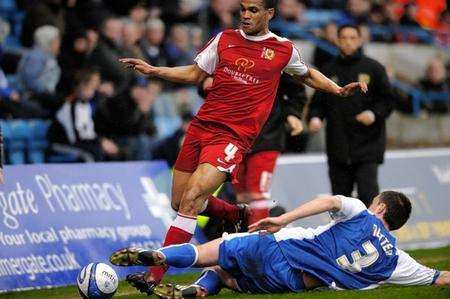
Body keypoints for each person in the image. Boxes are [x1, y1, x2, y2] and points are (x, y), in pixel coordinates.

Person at [118, 0, 367, 294]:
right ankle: (234, 213)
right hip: (201, 127)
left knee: (191, 200)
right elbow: (196, 74)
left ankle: (152, 276)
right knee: (179, 201)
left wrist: (337, 90)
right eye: (243, 9)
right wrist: (154, 70)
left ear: (269, 14)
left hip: (232, 137)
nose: (245, 15)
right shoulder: (224, 39)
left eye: (253, 10)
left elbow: (307, 74)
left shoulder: (282, 49)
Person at [110, 191, 450, 298]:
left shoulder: (361, 213)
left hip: (279, 247)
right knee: (227, 278)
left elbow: (330, 201)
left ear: (380, 207)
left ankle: (160, 255)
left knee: (206, 254)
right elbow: (441, 278)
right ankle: (194, 293)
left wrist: (284, 219)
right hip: (289, 283)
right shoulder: (396, 262)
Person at [199, 73, 306, 226]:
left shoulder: (275, 55)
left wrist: (293, 113)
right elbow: (204, 79)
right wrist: (205, 83)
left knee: (258, 194)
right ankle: (244, 237)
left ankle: (257, 240)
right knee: (241, 196)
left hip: (266, 137)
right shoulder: (225, 51)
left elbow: (296, 89)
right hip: (234, 137)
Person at [307, 24, 394, 207]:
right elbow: (317, 103)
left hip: (367, 146)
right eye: (344, 38)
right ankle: (342, 235)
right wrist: (315, 118)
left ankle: (369, 234)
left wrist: (373, 114)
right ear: (337, 40)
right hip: (338, 146)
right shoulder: (328, 69)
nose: (348, 42)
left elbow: (388, 101)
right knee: (340, 201)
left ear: (360, 40)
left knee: (368, 195)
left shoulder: (374, 68)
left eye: (352, 38)